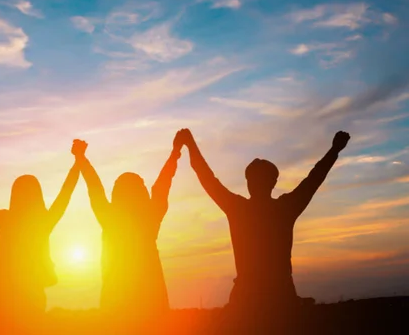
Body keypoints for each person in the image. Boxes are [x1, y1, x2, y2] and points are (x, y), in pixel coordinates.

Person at [179, 129, 350, 329]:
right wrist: (334, 150)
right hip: (278, 299)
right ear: (273, 182)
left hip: (253, 301)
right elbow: (314, 179)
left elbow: (206, 177)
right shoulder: (285, 208)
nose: (254, 183)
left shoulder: (239, 208)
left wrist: (190, 145)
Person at [0, 142, 80, 331]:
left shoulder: (6, 220)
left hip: (3, 294)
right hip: (31, 295)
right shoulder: (44, 221)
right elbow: (65, 193)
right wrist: (78, 162)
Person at [74, 130, 185, 325]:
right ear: (141, 193)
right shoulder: (150, 216)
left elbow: (95, 187)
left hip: (116, 303)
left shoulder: (110, 218)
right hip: (151, 302)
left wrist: (82, 158)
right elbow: (163, 184)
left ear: (117, 194)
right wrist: (175, 152)